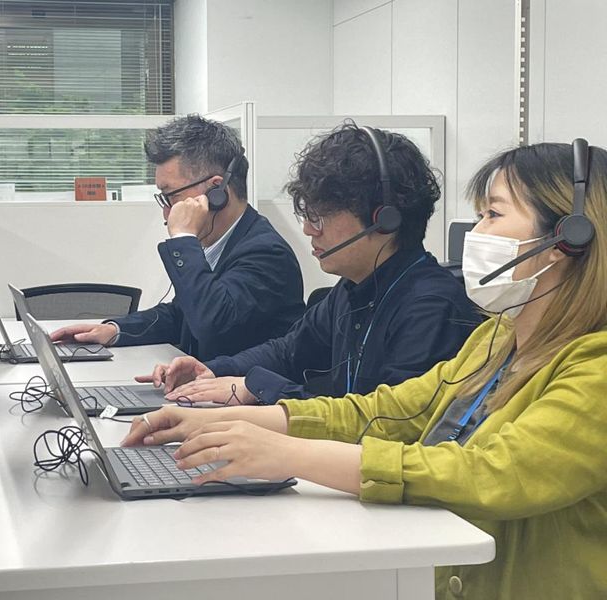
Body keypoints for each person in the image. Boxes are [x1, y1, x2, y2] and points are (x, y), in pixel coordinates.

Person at [122, 140, 607, 598]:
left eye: (493, 215)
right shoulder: (497, 340)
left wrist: (288, 453)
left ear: (569, 240)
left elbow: (495, 473)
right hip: (428, 568)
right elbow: (389, 410)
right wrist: (220, 421)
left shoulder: (595, 367)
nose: (475, 234)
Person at [138, 123, 479, 405]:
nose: (308, 230)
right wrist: (214, 370)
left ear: (383, 220)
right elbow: (288, 352)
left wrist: (256, 388)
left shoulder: (431, 308)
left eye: (319, 217)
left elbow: (380, 422)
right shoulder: (353, 288)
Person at [50, 115, 305, 362]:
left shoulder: (266, 253)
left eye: (171, 196)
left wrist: (183, 237)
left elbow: (211, 324)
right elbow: (180, 316)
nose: (166, 212)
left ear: (216, 191)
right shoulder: (218, 243)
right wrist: (114, 330)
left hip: (243, 389)